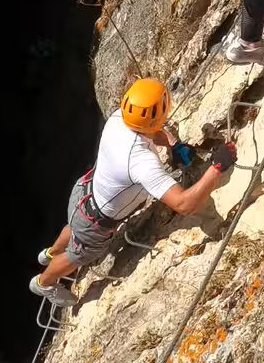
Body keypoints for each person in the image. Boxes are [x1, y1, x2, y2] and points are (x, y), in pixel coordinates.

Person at [29, 77, 237, 307]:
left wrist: (173, 144)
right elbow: (184, 204)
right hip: (96, 221)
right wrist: (217, 168)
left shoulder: (120, 117)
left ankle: (49, 253)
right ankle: (44, 282)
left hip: (84, 194)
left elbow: (150, 129)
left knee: (74, 227)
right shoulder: (140, 162)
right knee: (77, 256)